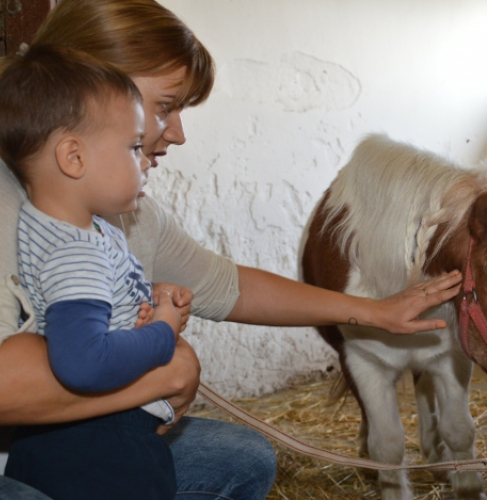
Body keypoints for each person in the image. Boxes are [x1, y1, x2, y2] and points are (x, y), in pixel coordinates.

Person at [0, 1, 463, 498]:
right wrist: (162, 374)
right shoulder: (13, 205)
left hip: (87, 437)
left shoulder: (127, 217)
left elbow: (228, 286)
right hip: (23, 460)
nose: (177, 133)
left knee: (241, 459)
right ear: (92, 89)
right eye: (165, 106)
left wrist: (372, 311)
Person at [0, 44, 193, 499]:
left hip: (65, 441)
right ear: (73, 158)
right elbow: (85, 362)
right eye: (132, 147)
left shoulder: (55, 227)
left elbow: (85, 307)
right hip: (101, 449)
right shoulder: (76, 250)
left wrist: (143, 298)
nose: (145, 159)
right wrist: (164, 332)